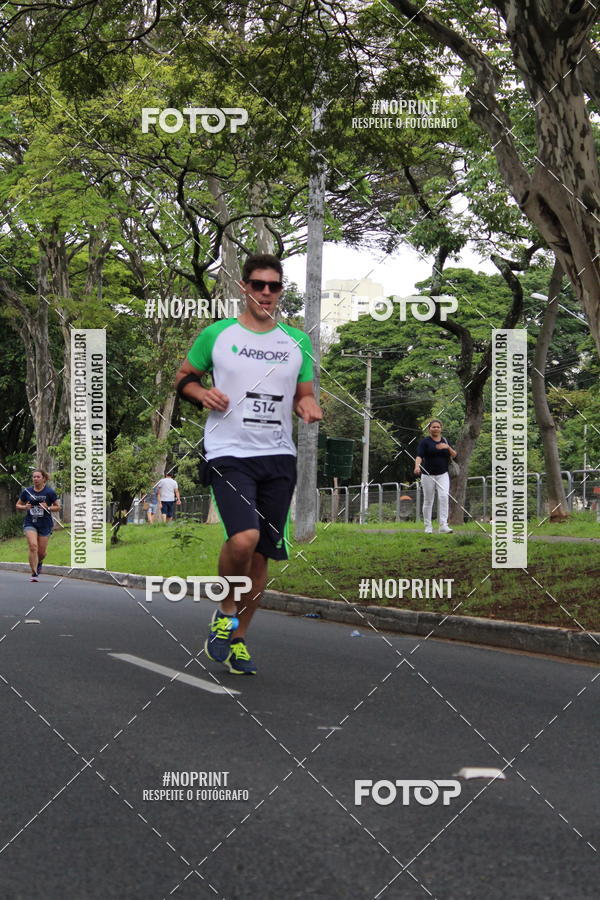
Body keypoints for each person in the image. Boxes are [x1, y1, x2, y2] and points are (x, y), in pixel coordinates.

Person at [174, 253, 322, 675]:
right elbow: (184, 377)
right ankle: (225, 610)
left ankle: (238, 638)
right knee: (243, 538)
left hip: (278, 455)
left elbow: (303, 394)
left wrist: (308, 403)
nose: (266, 293)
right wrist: (201, 394)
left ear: (280, 291)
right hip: (228, 451)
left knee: (261, 556)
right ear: (244, 287)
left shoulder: (298, 341)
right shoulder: (217, 334)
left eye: (274, 286)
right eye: (258, 285)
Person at [15, 469, 60, 581]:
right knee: (33, 546)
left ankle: (39, 562)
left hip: (45, 524)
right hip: (30, 522)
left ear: (43, 478)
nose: (35, 479)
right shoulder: (27, 491)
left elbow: (58, 507)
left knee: (42, 552)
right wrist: (25, 507)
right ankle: (34, 573)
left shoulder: (49, 492)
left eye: (38, 477)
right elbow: (18, 505)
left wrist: (48, 507)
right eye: (34, 477)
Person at [414, 419, 457, 534]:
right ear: (429, 429)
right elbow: (419, 456)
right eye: (433, 427)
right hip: (428, 475)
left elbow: (454, 455)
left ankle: (443, 525)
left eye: (438, 427)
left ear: (441, 429)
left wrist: (447, 447)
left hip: (443, 474)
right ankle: (428, 526)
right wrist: (417, 466)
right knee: (428, 500)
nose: (436, 429)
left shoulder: (445, 441)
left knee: (444, 497)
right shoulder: (425, 442)